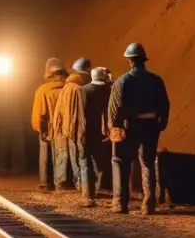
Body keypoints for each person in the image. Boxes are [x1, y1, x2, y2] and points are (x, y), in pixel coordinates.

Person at [107, 43, 170, 214]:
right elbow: (164, 104)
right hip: (151, 126)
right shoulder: (156, 80)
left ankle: (121, 203)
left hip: (130, 126)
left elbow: (116, 107)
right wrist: (162, 123)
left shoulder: (122, 81)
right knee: (148, 162)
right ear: (143, 60)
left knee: (123, 163)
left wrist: (114, 126)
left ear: (129, 60)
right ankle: (149, 203)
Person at [52, 58, 92, 189]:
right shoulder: (79, 89)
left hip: (67, 130)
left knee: (74, 158)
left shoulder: (66, 88)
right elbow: (82, 112)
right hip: (79, 129)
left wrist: (59, 128)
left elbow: (58, 112)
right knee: (83, 158)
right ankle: (84, 187)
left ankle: (77, 183)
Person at [31, 58, 69, 191]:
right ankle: (63, 183)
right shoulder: (69, 88)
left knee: (45, 155)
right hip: (66, 129)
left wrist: (41, 129)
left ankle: (45, 183)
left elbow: (39, 114)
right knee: (63, 155)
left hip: (47, 128)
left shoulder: (42, 90)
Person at [78, 67, 113, 206]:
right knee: (102, 159)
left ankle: (88, 193)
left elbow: (80, 112)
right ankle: (102, 187)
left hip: (86, 130)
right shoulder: (108, 90)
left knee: (85, 160)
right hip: (103, 132)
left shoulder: (84, 90)